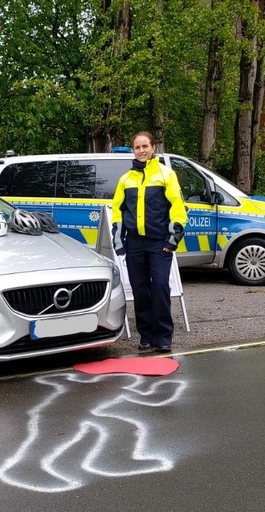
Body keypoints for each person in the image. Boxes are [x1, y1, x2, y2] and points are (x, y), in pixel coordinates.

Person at [111, 131, 187, 353]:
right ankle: (146, 336)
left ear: (153, 148)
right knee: (140, 290)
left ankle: (163, 337)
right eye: (137, 147)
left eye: (145, 146)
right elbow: (117, 212)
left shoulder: (166, 175)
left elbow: (178, 209)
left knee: (161, 287)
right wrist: (119, 242)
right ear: (133, 150)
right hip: (135, 244)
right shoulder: (125, 179)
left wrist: (172, 240)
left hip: (159, 243)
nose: (142, 151)